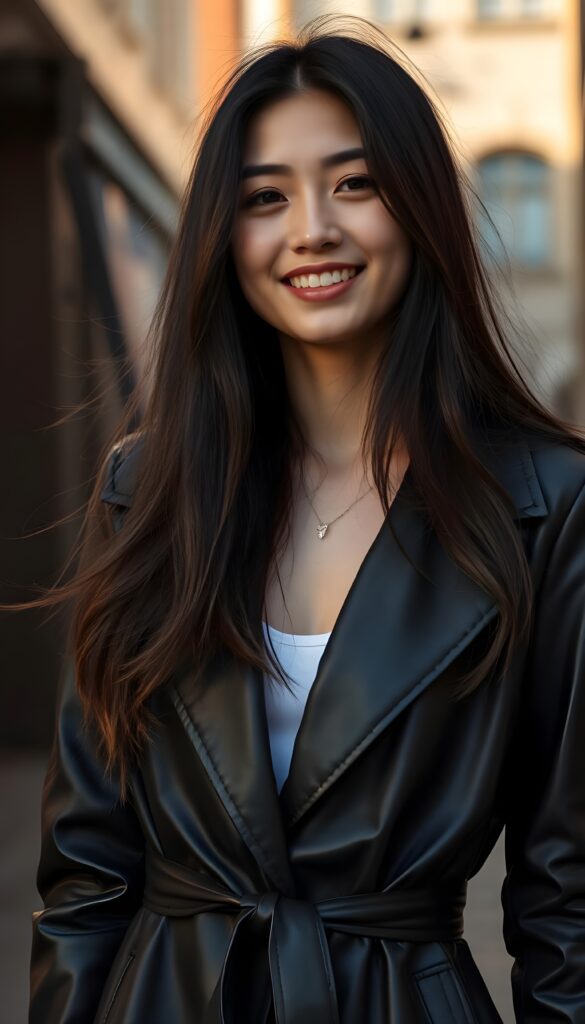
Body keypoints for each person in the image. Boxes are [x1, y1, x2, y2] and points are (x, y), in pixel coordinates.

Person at [25, 14, 585, 1024]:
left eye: (355, 183)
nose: (311, 228)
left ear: (417, 206)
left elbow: (569, 897)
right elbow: (86, 872)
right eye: (264, 198)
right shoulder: (144, 489)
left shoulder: (543, 506)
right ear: (222, 237)